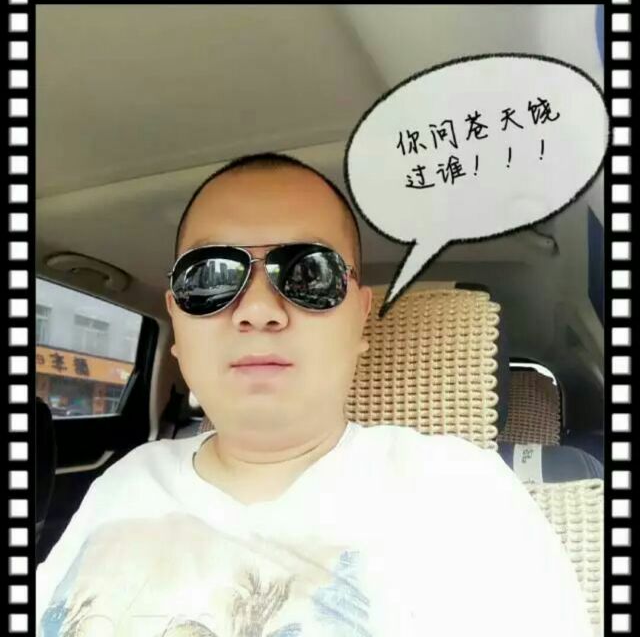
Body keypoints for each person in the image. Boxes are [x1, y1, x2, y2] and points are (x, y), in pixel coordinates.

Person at [36, 153, 592, 636]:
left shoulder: (460, 495)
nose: (258, 310)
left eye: (310, 273)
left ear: (359, 318)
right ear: (177, 322)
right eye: (210, 276)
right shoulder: (125, 482)